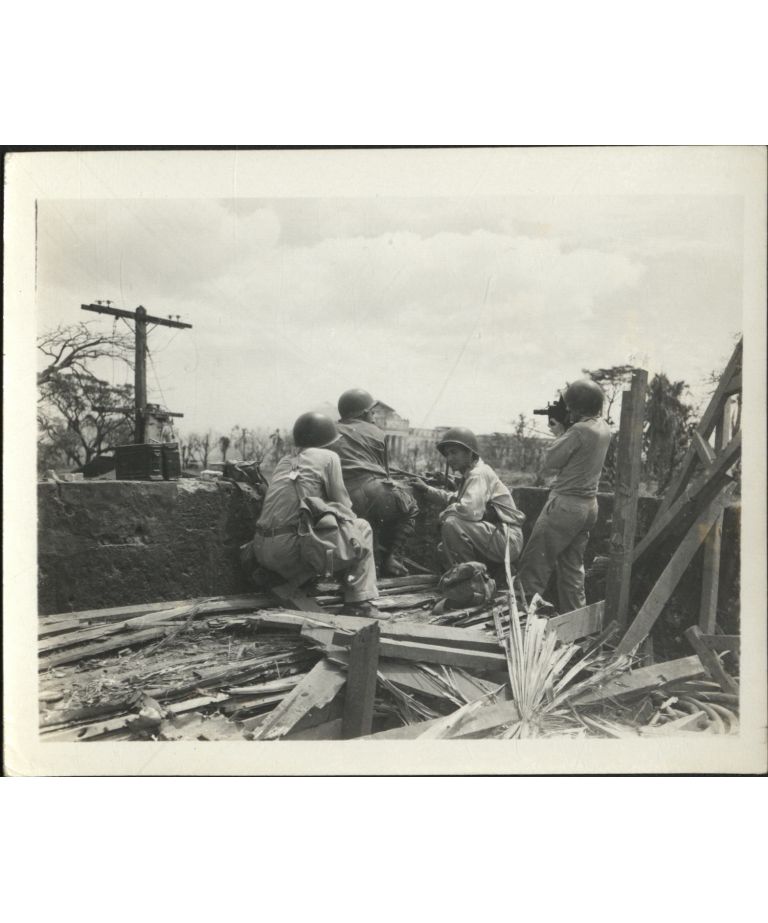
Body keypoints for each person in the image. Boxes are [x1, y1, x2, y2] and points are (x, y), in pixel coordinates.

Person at [249, 412, 382, 618]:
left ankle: (296, 580)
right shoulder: (329, 457)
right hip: (289, 552)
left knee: (316, 528)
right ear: (327, 439)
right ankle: (359, 602)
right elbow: (345, 507)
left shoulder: (286, 460)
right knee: (360, 528)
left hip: (261, 550)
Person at [516, 379, 611, 613]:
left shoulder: (579, 431)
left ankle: (522, 616)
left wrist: (560, 432)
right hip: (588, 507)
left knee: (535, 563)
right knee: (572, 570)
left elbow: (550, 462)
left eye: (570, 407)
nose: (568, 410)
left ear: (577, 407)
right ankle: (575, 620)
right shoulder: (603, 427)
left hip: (565, 506)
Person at [329, 388, 419, 577]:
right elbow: (385, 474)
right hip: (373, 490)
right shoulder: (377, 432)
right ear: (364, 413)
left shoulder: (329, 430)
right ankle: (392, 558)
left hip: (340, 496)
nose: (374, 417)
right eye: (372, 412)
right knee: (410, 507)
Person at [410, 427, 525, 572]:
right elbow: (454, 498)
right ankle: (473, 575)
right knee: (443, 548)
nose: (449, 459)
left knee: (451, 524)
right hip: (500, 537)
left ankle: (469, 578)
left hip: (507, 539)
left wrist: (443, 515)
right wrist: (427, 489)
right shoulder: (472, 473)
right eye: (447, 454)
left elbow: (470, 511)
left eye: (454, 452)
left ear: (469, 453)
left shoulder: (478, 474)